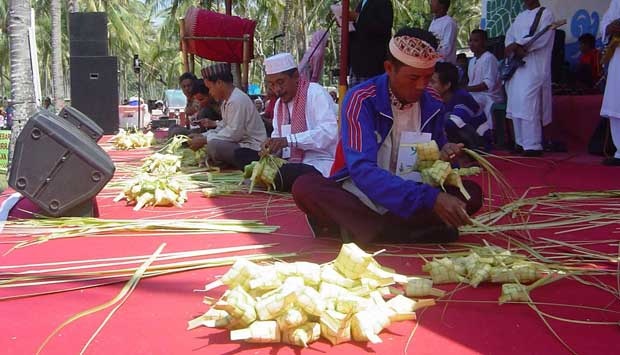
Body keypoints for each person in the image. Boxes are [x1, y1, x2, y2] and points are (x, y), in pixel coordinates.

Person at [291, 28, 483, 245]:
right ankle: (405, 232)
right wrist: (430, 199)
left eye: (428, 78)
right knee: (305, 187)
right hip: (363, 193)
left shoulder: (433, 101)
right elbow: (363, 171)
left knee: (471, 193)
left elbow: (434, 159)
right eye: (413, 77)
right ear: (389, 68)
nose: (421, 86)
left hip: (414, 191)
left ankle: (369, 230)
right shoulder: (361, 99)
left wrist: (445, 154)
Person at [235, 53, 338, 192]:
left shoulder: (315, 93)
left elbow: (329, 133)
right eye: (271, 84)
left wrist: (289, 140)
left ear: (296, 76)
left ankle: (273, 179)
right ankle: (272, 178)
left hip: (318, 162)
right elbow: (278, 137)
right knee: (241, 155)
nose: (277, 89)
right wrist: (270, 149)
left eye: (280, 82)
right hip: (287, 161)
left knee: (293, 174)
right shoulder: (279, 104)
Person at [188, 63, 266, 167]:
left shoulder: (237, 100)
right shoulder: (227, 101)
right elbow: (223, 127)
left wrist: (205, 139)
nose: (210, 92)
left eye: (210, 88)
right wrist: (203, 136)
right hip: (240, 144)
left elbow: (234, 133)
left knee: (214, 146)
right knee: (212, 145)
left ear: (219, 83)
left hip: (253, 148)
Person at [504, 0, 555, 156]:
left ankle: (533, 145)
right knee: (515, 102)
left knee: (528, 102)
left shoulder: (545, 13)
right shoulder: (520, 16)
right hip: (517, 67)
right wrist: (512, 47)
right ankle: (520, 143)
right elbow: (509, 36)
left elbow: (542, 37)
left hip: (534, 66)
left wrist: (519, 45)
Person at [430, 62, 487, 149]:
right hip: (459, 139)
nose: (427, 85)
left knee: (446, 119)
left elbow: (453, 123)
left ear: (447, 85)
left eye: (432, 82)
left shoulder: (462, 97)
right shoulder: (437, 98)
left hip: (478, 141)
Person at [466, 29, 504, 138]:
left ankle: (480, 133)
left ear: (485, 42)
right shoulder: (472, 61)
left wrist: (467, 89)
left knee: (468, 102)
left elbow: (487, 85)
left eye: (476, 40)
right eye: (470, 40)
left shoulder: (489, 58)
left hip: (489, 96)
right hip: (475, 94)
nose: (472, 43)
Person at [348, 0, 394, 86]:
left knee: (371, 96)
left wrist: (357, 17)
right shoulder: (362, 3)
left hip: (373, 64)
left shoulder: (383, 2)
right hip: (357, 63)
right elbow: (359, 29)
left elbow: (384, 27)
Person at [600, 0, 620, 166]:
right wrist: (609, 28)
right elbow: (606, 21)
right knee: (615, 104)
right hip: (617, 57)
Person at [429, 0, 458, 64]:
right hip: (433, 64)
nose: (430, 3)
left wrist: (430, 52)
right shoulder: (434, 21)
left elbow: (446, 50)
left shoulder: (449, 23)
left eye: (433, 1)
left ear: (442, 5)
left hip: (444, 67)